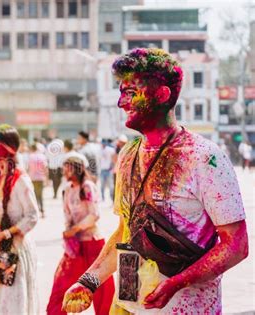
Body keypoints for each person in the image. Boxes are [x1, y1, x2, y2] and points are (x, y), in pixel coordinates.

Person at [62, 48, 248, 314]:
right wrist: (89, 281)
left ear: (162, 95)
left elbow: (236, 245)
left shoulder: (205, 158)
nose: (121, 103)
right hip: (126, 306)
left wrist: (177, 283)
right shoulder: (127, 154)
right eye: (120, 92)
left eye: (130, 93)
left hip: (184, 308)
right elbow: (125, 232)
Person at [0, 124, 39, 315]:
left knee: (12, 303)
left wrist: (4, 234)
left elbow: (32, 216)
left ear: (8, 147)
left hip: (15, 250)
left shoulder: (21, 179)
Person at [46, 155, 115, 315]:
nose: (65, 171)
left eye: (68, 167)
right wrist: (69, 231)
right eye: (64, 167)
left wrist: (75, 229)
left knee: (102, 290)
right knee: (61, 287)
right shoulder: (67, 189)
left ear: (78, 168)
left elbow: (94, 214)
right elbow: (67, 214)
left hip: (93, 243)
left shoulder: (88, 187)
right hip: (75, 247)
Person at [28, 143, 48, 218]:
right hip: (41, 178)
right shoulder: (42, 156)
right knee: (40, 195)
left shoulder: (30, 156)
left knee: (34, 195)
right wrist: (47, 178)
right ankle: (42, 211)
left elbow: (28, 167)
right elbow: (45, 168)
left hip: (32, 178)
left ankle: (36, 211)